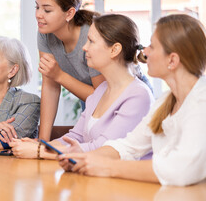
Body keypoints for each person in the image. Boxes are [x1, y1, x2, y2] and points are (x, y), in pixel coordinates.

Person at [60, 14, 206, 186]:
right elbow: (128, 146)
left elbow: (180, 170)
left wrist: (108, 167)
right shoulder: (167, 101)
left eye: (152, 46)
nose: (144, 51)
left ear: (172, 60)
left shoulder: (201, 103)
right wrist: (84, 158)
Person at [10, 14, 153, 159]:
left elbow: (105, 149)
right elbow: (75, 137)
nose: (84, 47)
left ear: (114, 49)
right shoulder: (101, 90)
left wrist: (41, 152)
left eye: (91, 41)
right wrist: (40, 145)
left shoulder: (139, 96)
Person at [35, 0, 105, 141]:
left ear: (70, 13)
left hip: (118, 98)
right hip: (89, 95)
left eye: (47, 10)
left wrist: (59, 75)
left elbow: (103, 97)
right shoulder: (45, 34)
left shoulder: (91, 37)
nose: (38, 15)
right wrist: (42, 142)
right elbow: (50, 86)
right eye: (37, 7)